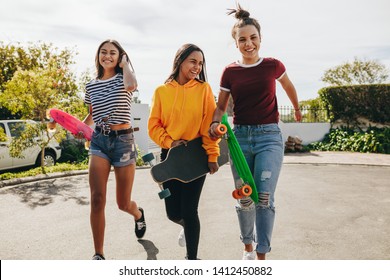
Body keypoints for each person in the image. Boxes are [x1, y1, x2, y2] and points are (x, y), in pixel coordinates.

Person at [209, 4, 302, 260]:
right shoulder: (230, 71)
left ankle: (262, 255)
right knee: (245, 198)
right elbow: (220, 106)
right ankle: (247, 247)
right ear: (236, 43)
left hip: (269, 137)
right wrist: (215, 124)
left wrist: (296, 108)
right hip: (240, 139)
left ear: (260, 39)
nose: (248, 44)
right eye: (242, 40)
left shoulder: (272, 65)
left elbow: (288, 85)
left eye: (253, 38)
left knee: (264, 196)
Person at [148, 43, 219, 260]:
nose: (197, 67)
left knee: (190, 211)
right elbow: (153, 125)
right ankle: (187, 227)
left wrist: (212, 154)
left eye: (200, 63)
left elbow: (209, 125)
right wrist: (169, 142)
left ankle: (192, 260)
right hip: (169, 156)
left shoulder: (204, 89)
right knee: (173, 212)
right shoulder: (162, 91)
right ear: (180, 61)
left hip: (195, 156)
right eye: (193, 61)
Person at [82, 39, 146, 260]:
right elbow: (93, 114)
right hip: (100, 140)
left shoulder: (124, 78)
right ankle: (98, 254)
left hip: (123, 142)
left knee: (123, 203)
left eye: (113, 53)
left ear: (120, 57)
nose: (107, 56)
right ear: (98, 56)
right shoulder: (91, 85)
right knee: (97, 198)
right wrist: (80, 127)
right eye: (103, 52)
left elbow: (131, 86)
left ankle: (137, 214)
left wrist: (126, 64)